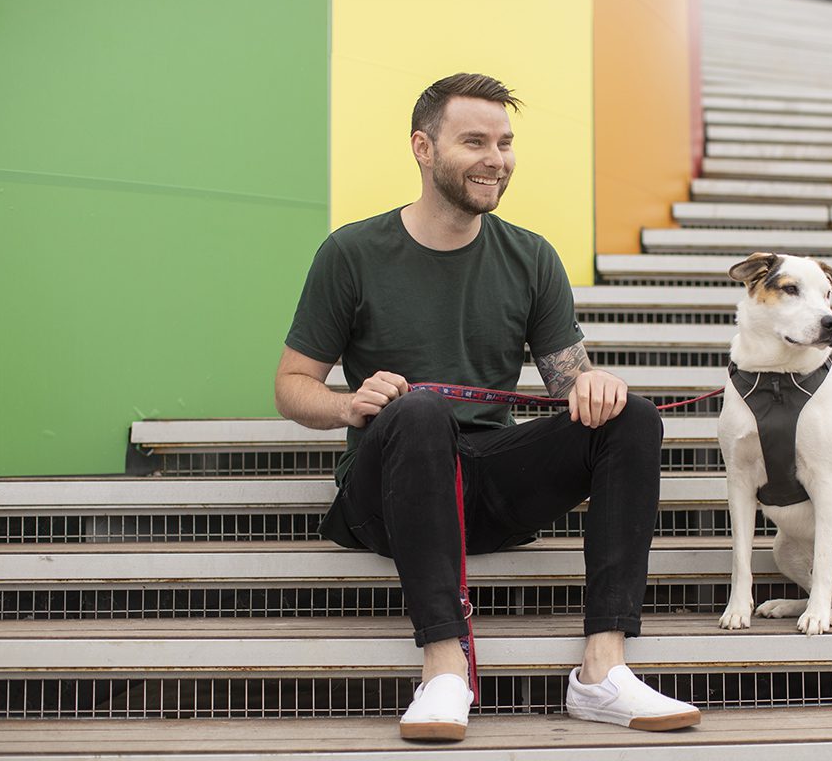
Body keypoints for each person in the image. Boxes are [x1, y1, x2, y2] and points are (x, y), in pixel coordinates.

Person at [274, 73, 700, 741]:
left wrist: (594, 386)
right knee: (417, 411)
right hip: (390, 493)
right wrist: (350, 405)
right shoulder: (352, 252)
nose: (495, 159)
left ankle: (602, 669)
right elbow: (292, 384)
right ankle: (445, 670)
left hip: (490, 487)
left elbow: (569, 380)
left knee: (633, 416)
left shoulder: (530, 257)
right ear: (423, 147)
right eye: (474, 141)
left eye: (503, 143)